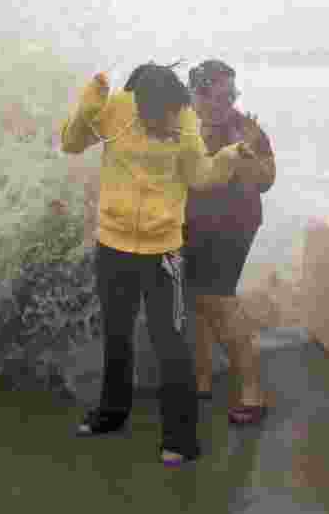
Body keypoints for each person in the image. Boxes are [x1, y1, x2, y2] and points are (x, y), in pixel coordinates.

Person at [58, 63, 257, 467]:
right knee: (117, 337)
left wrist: (232, 155)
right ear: (138, 101)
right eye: (159, 110)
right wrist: (86, 108)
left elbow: (200, 175)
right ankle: (111, 416)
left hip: (165, 252)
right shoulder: (116, 110)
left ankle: (181, 440)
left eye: (172, 109)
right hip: (113, 247)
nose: (167, 118)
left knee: (172, 346)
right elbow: (71, 143)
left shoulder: (182, 117)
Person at [185, 60, 275, 425]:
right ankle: (202, 379)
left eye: (233, 95)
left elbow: (267, 179)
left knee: (217, 300)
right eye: (223, 96)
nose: (230, 102)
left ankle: (253, 393)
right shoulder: (183, 122)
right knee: (196, 299)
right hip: (190, 223)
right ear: (198, 95)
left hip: (234, 224)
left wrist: (247, 154)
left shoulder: (244, 127)